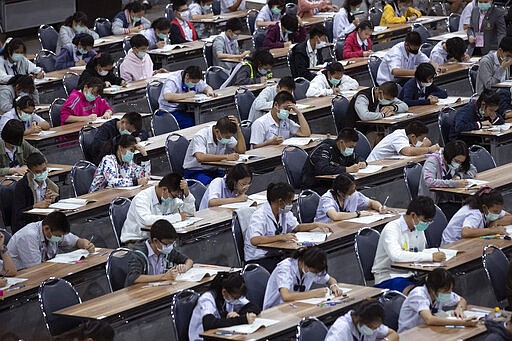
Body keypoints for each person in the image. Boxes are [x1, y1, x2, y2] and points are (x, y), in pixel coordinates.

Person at [244, 182, 333, 272]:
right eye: (290, 201)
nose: (291, 204)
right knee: (293, 269)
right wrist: (280, 237)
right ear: (280, 201)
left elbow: (296, 227)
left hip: (277, 254)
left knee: (305, 261)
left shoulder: (283, 212)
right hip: (259, 259)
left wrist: (315, 225)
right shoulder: (260, 215)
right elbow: (254, 240)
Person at [372, 196, 446, 293]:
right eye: (425, 221)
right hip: (389, 277)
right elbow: (396, 256)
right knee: (418, 293)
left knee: (441, 285)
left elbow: (420, 251)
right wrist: (430, 257)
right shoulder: (392, 228)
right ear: (413, 215)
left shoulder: (418, 228)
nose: (426, 224)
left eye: (429, 222)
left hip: (411, 274)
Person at [120, 173, 196, 244]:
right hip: (137, 241)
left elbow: (188, 214)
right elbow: (146, 221)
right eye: (175, 196)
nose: (175, 198)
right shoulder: (142, 198)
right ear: (164, 190)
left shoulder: (170, 198)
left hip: (157, 240)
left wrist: (187, 194)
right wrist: (177, 217)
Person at [7, 211, 95, 270]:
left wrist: (84, 244)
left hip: (44, 272)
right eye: (58, 236)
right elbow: (36, 269)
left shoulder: (55, 230)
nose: (60, 238)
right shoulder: (28, 236)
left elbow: (76, 241)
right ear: (46, 229)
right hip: (22, 276)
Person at [398, 268, 477, 332]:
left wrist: (459, 308)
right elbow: (429, 319)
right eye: (445, 291)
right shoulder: (418, 294)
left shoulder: (440, 294)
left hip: (427, 332)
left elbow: (462, 300)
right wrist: (463, 323)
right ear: (432, 289)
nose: (448, 294)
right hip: (409, 334)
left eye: (450, 290)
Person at [262, 247, 342, 309]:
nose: (314, 274)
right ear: (304, 263)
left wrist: (333, 286)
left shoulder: (314, 268)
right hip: (276, 310)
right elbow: (285, 296)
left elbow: (331, 280)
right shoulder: (285, 268)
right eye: (313, 272)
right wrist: (314, 294)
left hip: (297, 306)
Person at [189, 272, 260, 340]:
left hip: (221, 334)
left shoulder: (230, 295)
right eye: (235, 298)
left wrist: (238, 315)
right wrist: (241, 319)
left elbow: (254, 308)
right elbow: (209, 324)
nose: (236, 300)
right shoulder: (207, 299)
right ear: (224, 292)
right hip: (202, 337)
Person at [418, 140, 477, 219]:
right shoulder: (433, 161)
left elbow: (473, 169)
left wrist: (460, 175)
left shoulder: (456, 163)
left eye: (461, 162)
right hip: (432, 205)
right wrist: (454, 183)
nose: (458, 164)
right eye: (456, 161)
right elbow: (429, 181)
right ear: (448, 156)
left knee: (473, 211)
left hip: (449, 202)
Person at [125, 220, 193, 286]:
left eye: (172, 244)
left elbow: (189, 261)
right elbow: (134, 278)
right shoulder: (139, 254)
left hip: (159, 288)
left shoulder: (167, 250)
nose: (169, 247)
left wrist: (185, 267)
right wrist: (164, 276)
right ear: (155, 241)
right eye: (167, 244)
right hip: (140, 292)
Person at [183, 116, 246, 185]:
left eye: (230, 137)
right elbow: (200, 157)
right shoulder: (201, 136)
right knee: (213, 186)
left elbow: (241, 150)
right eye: (227, 137)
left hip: (213, 170)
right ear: (217, 131)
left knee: (232, 182)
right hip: (195, 171)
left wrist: (238, 129)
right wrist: (226, 157)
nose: (229, 139)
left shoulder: (225, 134)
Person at [301, 128, 366, 193]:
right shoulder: (324, 149)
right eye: (351, 147)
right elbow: (322, 168)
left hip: (333, 184)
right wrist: (347, 169)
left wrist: (362, 162)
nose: (351, 149)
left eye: (354, 147)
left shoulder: (344, 150)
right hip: (316, 186)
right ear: (341, 142)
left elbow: (356, 157)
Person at [441, 187, 512, 245]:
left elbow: (509, 217)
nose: (497, 214)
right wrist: (493, 230)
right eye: (495, 212)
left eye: (499, 211)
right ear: (484, 207)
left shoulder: (491, 209)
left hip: (467, 241)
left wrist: (496, 222)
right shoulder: (475, 213)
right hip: (452, 245)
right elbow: (465, 232)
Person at [11, 152, 59, 232]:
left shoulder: (49, 183)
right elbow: (18, 214)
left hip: (47, 222)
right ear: (30, 171)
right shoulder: (22, 186)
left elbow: (58, 201)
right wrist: (34, 206)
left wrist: (54, 199)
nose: (42, 174)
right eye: (37, 172)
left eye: (44, 170)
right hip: (27, 226)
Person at [314, 173, 388, 223]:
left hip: (344, 227)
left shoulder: (354, 194)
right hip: (324, 230)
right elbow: (335, 216)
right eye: (350, 191)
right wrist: (358, 213)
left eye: (354, 189)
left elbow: (371, 203)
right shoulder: (327, 199)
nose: (354, 192)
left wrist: (380, 207)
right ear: (340, 192)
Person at [325, 300, 399, 341]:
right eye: (370, 327)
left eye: (375, 328)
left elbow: (394, 334)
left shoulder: (372, 323)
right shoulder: (340, 330)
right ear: (358, 318)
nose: (372, 331)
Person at [367, 121, 440, 162]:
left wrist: (423, 146)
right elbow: (408, 151)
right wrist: (429, 149)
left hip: (386, 163)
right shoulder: (399, 136)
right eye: (421, 139)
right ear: (413, 136)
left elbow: (415, 147)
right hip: (373, 165)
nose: (422, 141)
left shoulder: (408, 135)